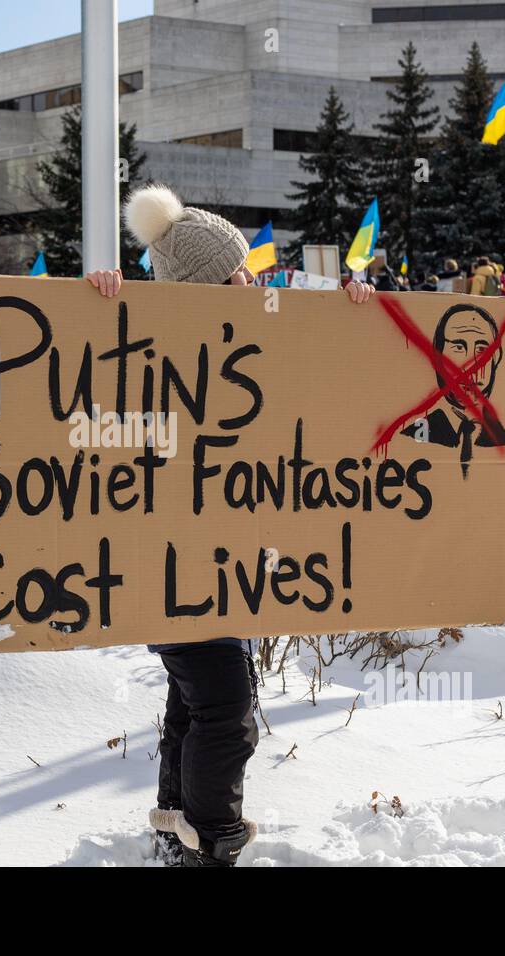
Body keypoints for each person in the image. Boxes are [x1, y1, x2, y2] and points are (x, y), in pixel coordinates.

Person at [88, 183, 376, 867]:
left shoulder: (253, 346)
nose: (252, 280)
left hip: (221, 563)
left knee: (194, 707)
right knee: (227, 713)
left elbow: (326, 383)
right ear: (204, 287)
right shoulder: (150, 352)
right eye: (236, 272)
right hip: (172, 562)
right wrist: (91, 308)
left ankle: (174, 830)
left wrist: (354, 315)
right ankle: (210, 843)